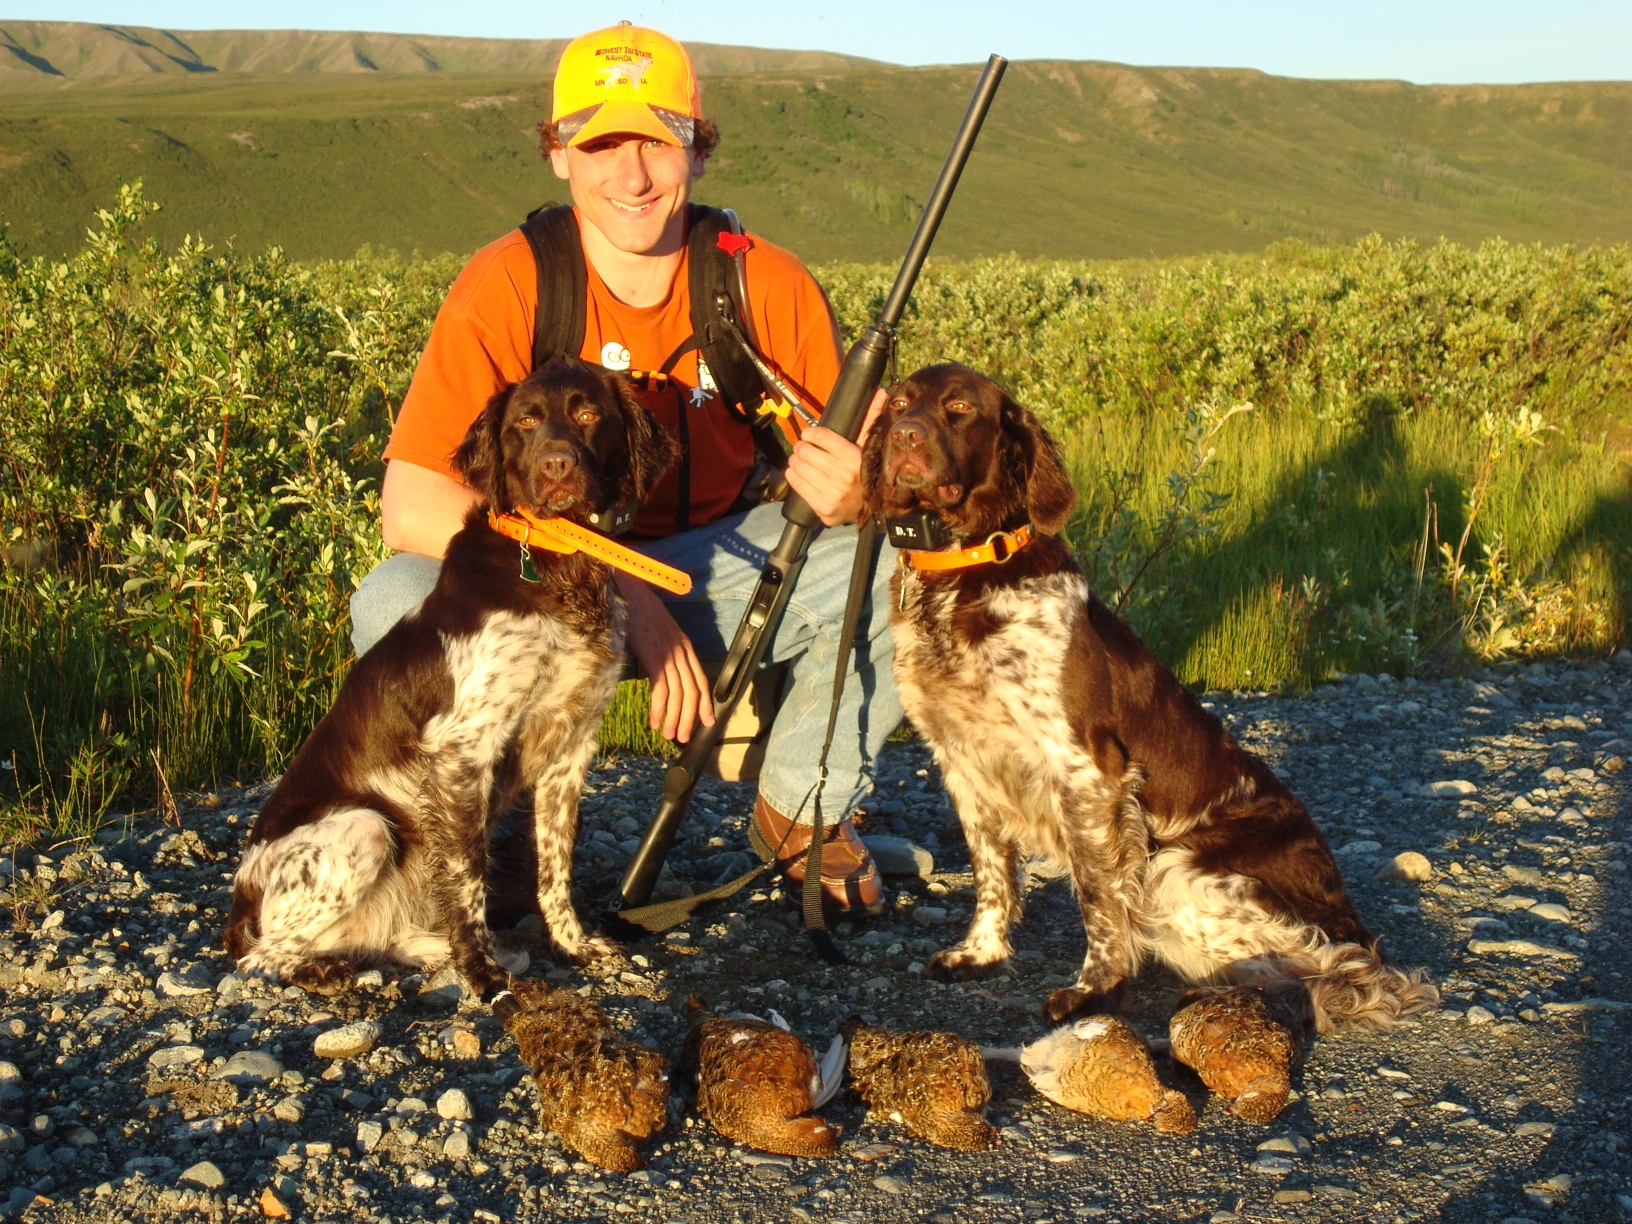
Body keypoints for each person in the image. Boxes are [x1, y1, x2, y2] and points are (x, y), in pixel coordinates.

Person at [350, 21, 901, 913]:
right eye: (601, 143)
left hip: (715, 571)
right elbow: (411, 505)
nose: (631, 174)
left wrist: (857, 492)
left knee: (898, 556)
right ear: (560, 155)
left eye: (656, 139)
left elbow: (867, 483)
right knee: (392, 599)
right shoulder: (509, 283)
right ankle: (494, 820)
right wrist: (622, 590)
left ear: (697, 148)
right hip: (550, 583)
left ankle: (803, 806)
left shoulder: (767, 284)